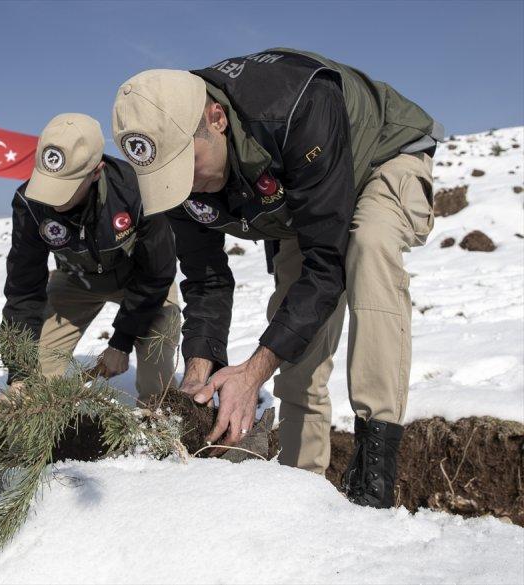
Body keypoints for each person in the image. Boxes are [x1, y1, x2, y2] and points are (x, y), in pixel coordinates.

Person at [112, 48, 443, 507]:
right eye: (167, 178)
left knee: (369, 246)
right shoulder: (174, 174)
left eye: (186, 167)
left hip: (379, 157)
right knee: (296, 344)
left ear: (216, 119)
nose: (181, 187)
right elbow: (207, 280)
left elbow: (327, 265)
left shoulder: (295, 106)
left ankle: (375, 471)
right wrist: (198, 373)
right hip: (301, 200)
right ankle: (299, 493)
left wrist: (251, 372)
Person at [1, 113, 180, 402]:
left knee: (156, 380)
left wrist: (121, 342)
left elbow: (156, 273)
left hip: (140, 281)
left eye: (66, 188)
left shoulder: (137, 190)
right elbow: (23, 288)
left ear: (96, 171)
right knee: (37, 379)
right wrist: (18, 372)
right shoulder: (29, 203)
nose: (54, 200)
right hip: (76, 281)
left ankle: (156, 417)